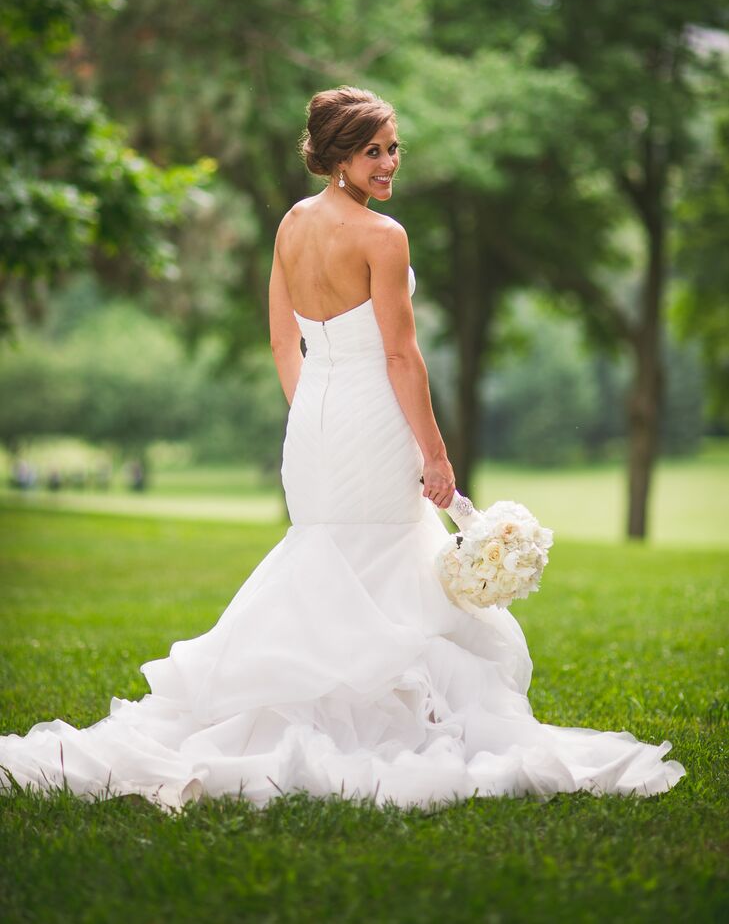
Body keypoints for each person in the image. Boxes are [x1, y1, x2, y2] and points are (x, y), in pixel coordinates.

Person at [0, 86, 684, 810]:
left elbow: (279, 339)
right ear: (337, 156)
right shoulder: (382, 236)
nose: (388, 162)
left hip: (316, 424)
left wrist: (316, 416)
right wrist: (437, 454)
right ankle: (389, 726)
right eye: (372, 150)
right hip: (374, 415)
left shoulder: (291, 225)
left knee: (332, 554)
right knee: (389, 559)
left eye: (393, 147)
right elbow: (400, 356)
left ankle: (310, 707)